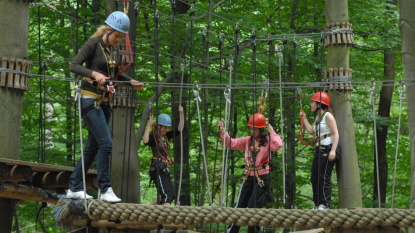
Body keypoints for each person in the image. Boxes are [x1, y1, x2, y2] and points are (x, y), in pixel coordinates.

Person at [67, 11, 144, 203]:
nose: (118, 39)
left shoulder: (111, 50)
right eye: (117, 35)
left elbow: (115, 73)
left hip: (105, 102)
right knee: (106, 143)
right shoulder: (93, 44)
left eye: (120, 36)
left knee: (92, 149)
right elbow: (74, 66)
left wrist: (130, 81)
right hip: (89, 99)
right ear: (108, 29)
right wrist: (94, 74)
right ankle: (105, 188)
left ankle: (74, 186)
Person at [218, 113, 283, 233]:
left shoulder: (267, 141)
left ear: (260, 129)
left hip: (262, 177)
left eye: (254, 128)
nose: (252, 130)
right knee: (240, 205)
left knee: (254, 208)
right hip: (248, 176)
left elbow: (278, 145)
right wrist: (222, 131)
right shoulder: (248, 141)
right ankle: (232, 231)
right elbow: (231, 143)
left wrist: (272, 132)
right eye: (251, 128)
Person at [299, 92, 339, 210]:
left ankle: (324, 204)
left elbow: (336, 133)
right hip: (319, 149)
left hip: (327, 148)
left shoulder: (328, 116)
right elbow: (311, 131)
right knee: (314, 177)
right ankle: (317, 204)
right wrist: (304, 118)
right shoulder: (318, 117)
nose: (311, 104)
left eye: (312, 102)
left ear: (319, 104)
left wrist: (333, 150)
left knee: (323, 177)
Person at [142, 105, 184, 205]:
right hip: (156, 168)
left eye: (167, 127)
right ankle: (167, 219)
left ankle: (149, 210)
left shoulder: (166, 136)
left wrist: (181, 114)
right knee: (166, 196)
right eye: (164, 127)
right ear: (159, 126)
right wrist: (148, 125)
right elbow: (145, 141)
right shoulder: (154, 138)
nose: (166, 129)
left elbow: (179, 129)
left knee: (171, 195)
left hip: (163, 168)